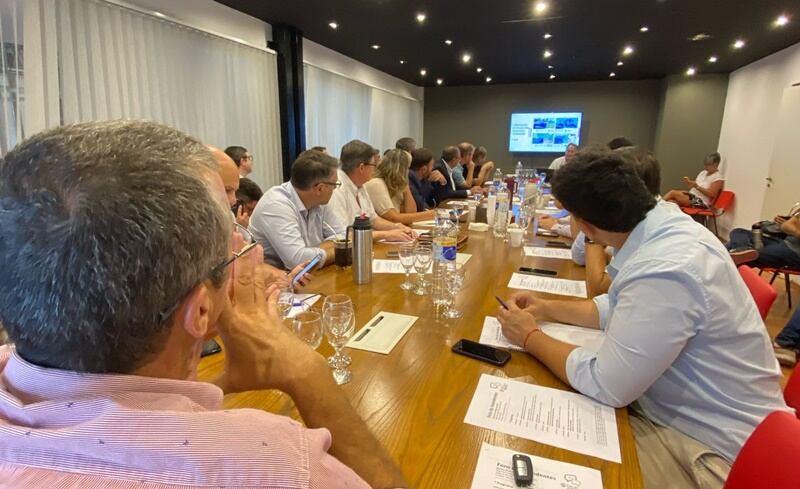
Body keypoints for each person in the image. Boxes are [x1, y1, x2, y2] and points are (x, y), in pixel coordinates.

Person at [0, 121, 407, 488]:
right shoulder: (278, 464)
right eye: (228, 252)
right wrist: (308, 373)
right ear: (200, 312)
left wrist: (213, 384)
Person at [497, 149, 790, 489]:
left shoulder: (667, 267)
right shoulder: (663, 223)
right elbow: (617, 307)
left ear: (586, 225)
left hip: (711, 450)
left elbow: (606, 384)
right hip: (678, 414)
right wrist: (546, 308)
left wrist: (530, 337)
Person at [250, 149, 347, 269]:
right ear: (320, 188)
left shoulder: (320, 202)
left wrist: (311, 252)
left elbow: (343, 236)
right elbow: (298, 261)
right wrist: (338, 251)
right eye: (334, 185)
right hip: (276, 282)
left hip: (308, 276)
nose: (335, 189)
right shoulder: (276, 205)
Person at [328, 140, 415, 242]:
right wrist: (386, 234)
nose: (376, 168)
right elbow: (344, 236)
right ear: (361, 168)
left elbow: (373, 220)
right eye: (374, 165)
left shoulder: (360, 184)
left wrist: (396, 227)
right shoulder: (336, 189)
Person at [365, 149, 436, 225]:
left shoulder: (396, 184)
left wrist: (406, 187)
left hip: (396, 229)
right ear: (401, 169)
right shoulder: (376, 184)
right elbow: (394, 218)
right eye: (407, 169)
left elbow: (411, 211)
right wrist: (429, 215)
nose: (409, 172)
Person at [725, 203, 800, 267]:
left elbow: (789, 226)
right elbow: (786, 226)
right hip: (782, 241)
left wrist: (794, 227)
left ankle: (741, 253)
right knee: (739, 232)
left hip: (794, 252)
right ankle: (743, 249)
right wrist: (787, 223)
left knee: (731, 252)